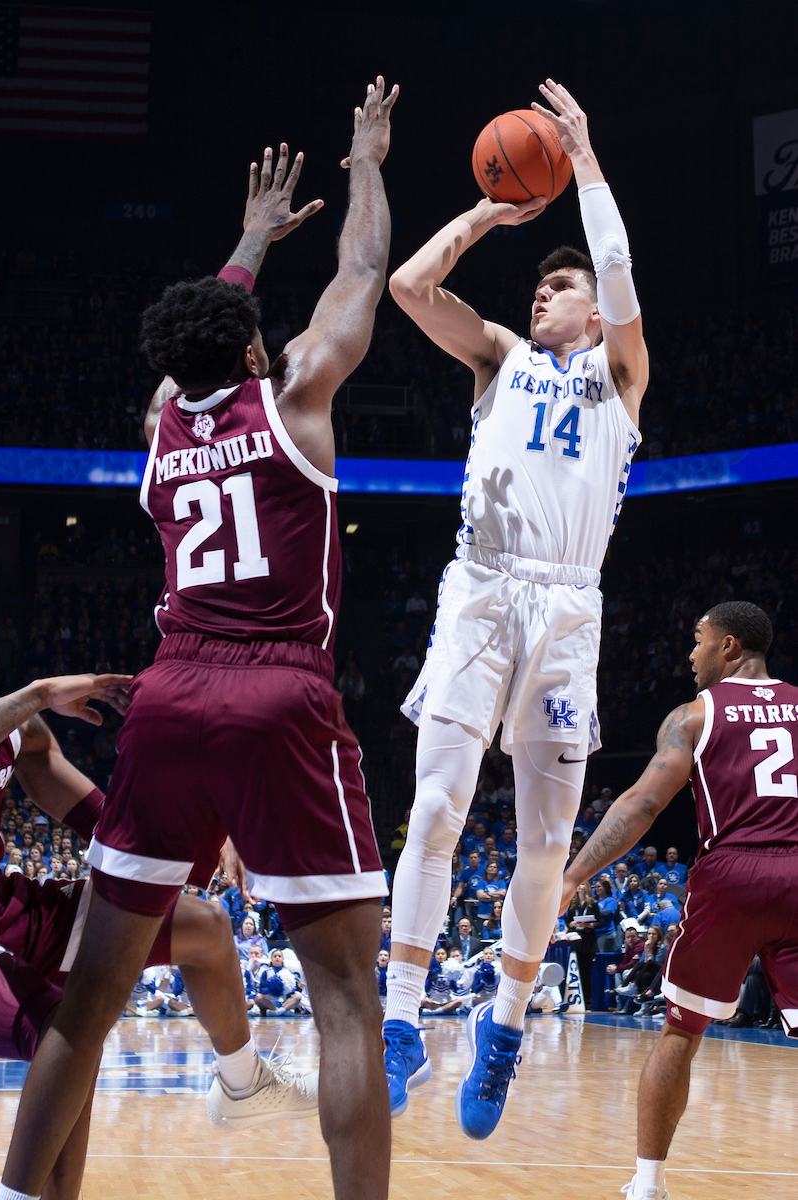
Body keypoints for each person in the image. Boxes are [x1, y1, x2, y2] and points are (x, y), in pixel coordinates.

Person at [0, 76, 398, 1200]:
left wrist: (246, 243)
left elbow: (190, 351)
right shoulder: (298, 396)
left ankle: (13, 1196)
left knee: (91, 993)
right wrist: (366, 157)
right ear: (260, 353)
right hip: (277, 693)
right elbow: (361, 271)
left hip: (167, 697)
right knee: (342, 1003)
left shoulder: (158, 427)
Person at [383, 77, 648, 1138]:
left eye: (562, 288)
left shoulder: (620, 377)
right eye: (538, 287)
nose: (545, 295)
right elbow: (408, 284)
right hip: (482, 591)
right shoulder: (497, 357)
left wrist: (581, 160)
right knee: (439, 806)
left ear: (594, 311)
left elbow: (619, 271)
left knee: (544, 843)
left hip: (568, 616)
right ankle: (400, 1021)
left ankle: (499, 1029)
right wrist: (491, 213)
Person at [0, 564, 313, 1200]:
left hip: (1, 910)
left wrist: (203, 840)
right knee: (64, 1026)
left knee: (205, 929)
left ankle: (244, 1085)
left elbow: (101, 823)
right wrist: (38, 693)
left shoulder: (4, 718)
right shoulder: (8, 712)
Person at [560, 600, 798, 1200]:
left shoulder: (694, 715)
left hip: (733, 870)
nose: (690, 654)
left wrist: (574, 875)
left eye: (698, 640)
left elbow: (642, 805)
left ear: (729, 647)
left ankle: (647, 1185)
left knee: (680, 1032)